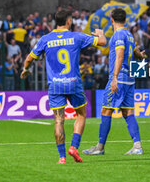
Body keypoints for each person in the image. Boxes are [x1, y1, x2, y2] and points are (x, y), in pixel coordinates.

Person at [21, 9, 106, 164]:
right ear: (68, 21)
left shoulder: (45, 39)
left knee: (59, 120)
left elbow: (29, 59)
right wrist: (100, 33)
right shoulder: (76, 36)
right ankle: (74, 147)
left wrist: (26, 70)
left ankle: (62, 157)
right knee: (80, 114)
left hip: (55, 86)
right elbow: (102, 42)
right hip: (74, 83)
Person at [83, 8, 145, 156]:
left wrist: (115, 78)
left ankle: (100, 147)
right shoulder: (129, 34)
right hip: (130, 77)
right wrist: (140, 55)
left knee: (106, 110)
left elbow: (120, 54)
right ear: (125, 20)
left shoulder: (118, 35)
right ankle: (137, 146)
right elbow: (135, 51)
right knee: (127, 111)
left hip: (120, 77)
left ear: (111, 20)